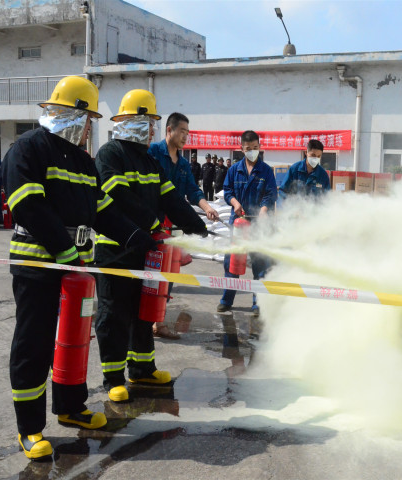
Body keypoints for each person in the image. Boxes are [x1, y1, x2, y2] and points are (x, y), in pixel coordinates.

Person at [1, 76, 157, 461]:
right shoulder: (29, 149)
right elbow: (28, 206)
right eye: (89, 120)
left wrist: (136, 236)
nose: (91, 128)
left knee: (74, 339)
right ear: (74, 115)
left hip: (74, 267)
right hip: (37, 263)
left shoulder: (83, 160)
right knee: (33, 344)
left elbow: (102, 209)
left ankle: (71, 408)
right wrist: (64, 250)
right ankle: (29, 428)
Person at [94, 89, 208, 404]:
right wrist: (153, 223)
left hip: (144, 251)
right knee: (113, 314)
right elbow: (119, 195)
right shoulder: (110, 153)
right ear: (128, 121)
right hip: (115, 250)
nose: (150, 129)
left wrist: (195, 224)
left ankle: (142, 369)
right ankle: (113, 378)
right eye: (145, 121)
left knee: (144, 311)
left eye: (152, 123)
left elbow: (170, 197)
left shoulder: (149, 161)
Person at [148, 112, 219, 339]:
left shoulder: (184, 164)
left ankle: (158, 322)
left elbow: (193, 190)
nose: (185, 136)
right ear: (169, 130)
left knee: (168, 274)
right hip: (149, 223)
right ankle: (143, 320)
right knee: (147, 273)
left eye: (188, 132)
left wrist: (207, 208)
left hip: (172, 226)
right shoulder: (152, 154)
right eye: (182, 131)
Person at [217, 130, 277, 316]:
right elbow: (227, 191)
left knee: (259, 264)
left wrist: (264, 210)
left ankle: (257, 303)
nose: (253, 151)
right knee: (232, 263)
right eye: (249, 148)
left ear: (260, 147)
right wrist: (234, 203)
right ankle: (227, 300)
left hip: (258, 224)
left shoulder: (266, 170)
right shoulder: (234, 170)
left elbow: (271, 194)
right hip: (238, 224)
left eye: (256, 148)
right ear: (242, 149)